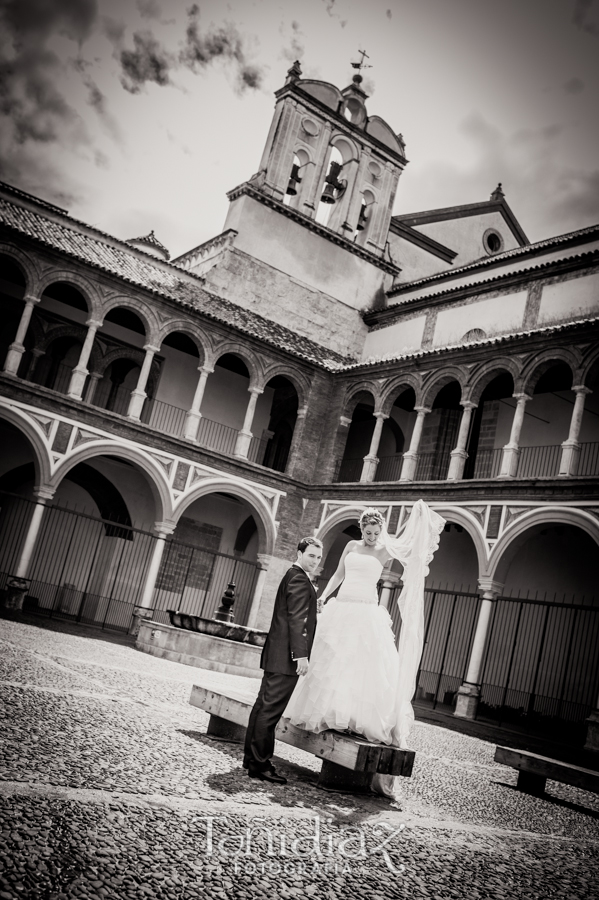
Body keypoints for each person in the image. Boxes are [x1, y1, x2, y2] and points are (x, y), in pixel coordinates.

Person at [284, 501, 445, 798]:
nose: (371, 537)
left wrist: (420, 522)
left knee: (361, 665)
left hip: (366, 610)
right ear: (362, 529)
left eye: (375, 533)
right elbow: (338, 575)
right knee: (333, 661)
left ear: (381, 530)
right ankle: (329, 714)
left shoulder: (385, 550)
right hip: (342, 607)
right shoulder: (351, 547)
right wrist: (323, 595)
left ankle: (354, 719)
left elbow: (413, 553)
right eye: (368, 532)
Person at [243, 536, 322, 784]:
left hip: (276, 655)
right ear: (299, 553)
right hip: (286, 658)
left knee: (262, 708)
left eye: (319, 557)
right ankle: (260, 765)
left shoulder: (293, 575)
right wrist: (301, 655)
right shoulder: (299, 578)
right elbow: (296, 620)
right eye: (311, 555)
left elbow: (294, 613)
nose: (315, 561)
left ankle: (252, 759)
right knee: (269, 712)